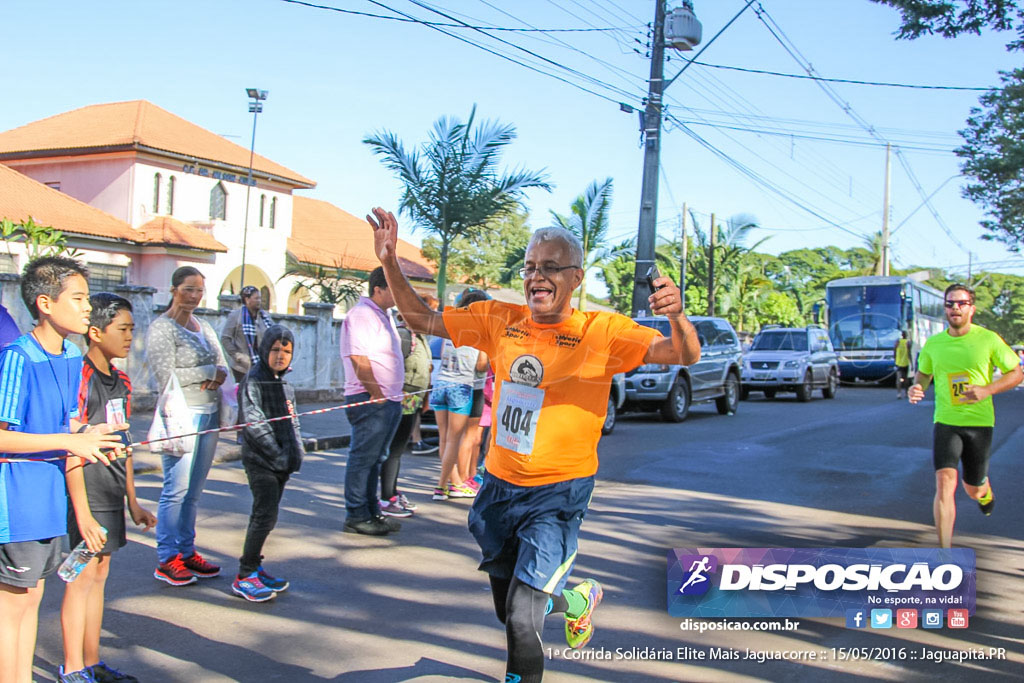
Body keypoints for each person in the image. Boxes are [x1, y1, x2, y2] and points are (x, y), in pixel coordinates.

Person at [367, 208, 700, 683]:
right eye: (529, 267)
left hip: (558, 493)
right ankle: (577, 599)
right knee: (510, 613)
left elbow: (682, 354)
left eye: (549, 267)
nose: (536, 276)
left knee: (524, 620)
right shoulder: (499, 319)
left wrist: (678, 317)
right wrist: (390, 260)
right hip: (499, 487)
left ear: (576, 278)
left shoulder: (601, 332)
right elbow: (420, 317)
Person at [0, 256, 126, 683]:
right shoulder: (17, 357)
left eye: (88, 298)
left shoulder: (72, 355)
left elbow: (64, 428)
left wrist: (91, 434)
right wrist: (72, 439)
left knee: (31, 600)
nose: (88, 307)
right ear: (45, 303)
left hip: (50, 501)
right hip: (16, 498)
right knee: (13, 605)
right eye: (78, 298)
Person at [61, 293, 156, 683]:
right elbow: (71, 447)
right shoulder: (78, 376)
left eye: (133, 329)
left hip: (113, 493)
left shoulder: (123, 382)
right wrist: (82, 514)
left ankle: (92, 662)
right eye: (123, 329)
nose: (131, 336)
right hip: (88, 493)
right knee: (80, 581)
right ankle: (71, 669)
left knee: (99, 580)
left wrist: (133, 500)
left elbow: (125, 444)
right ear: (95, 332)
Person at [908, 283, 1022, 548]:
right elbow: (924, 373)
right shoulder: (934, 344)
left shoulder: (989, 339)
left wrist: (987, 390)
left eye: (960, 303)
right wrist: (917, 386)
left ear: (972, 307)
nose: (955, 308)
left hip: (979, 423)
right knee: (945, 480)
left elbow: (1016, 373)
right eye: (949, 304)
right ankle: (944, 553)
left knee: (973, 488)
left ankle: (984, 491)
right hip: (946, 421)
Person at [146, 266, 227, 586]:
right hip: (180, 415)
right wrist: (206, 373)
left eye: (199, 291)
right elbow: (165, 376)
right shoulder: (162, 328)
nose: (194, 296)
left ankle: (187, 548)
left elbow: (221, 364)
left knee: (193, 491)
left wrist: (213, 372)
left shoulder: (203, 325)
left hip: (209, 414)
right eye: (188, 289)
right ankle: (167, 557)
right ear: (173, 289)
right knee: (175, 489)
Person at [232, 325, 304, 602]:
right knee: (263, 516)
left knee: (269, 516)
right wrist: (277, 454)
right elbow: (254, 423)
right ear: (265, 350)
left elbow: (292, 419)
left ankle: (255, 565)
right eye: (275, 349)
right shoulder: (254, 379)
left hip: (283, 462)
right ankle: (244, 574)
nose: (280, 356)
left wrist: (296, 453)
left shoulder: (284, 383)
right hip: (261, 461)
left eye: (286, 351)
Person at [338, 266, 404, 536]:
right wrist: (376, 393)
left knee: (377, 458)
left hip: (387, 399)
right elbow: (358, 358)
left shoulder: (383, 314)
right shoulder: (363, 314)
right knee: (364, 458)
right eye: (393, 286)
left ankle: (371, 511)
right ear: (378, 289)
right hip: (370, 399)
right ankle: (356, 514)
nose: (399, 292)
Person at [430, 289, 490, 501]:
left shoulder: (451, 325)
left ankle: (452, 482)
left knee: (444, 439)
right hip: (461, 387)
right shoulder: (479, 331)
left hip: (440, 384)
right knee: (454, 440)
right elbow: (481, 366)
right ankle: (442, 486)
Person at [379, 305, 432, 517]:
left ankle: (391, 492)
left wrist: (425, 398)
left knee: (398, 450)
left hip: (415, 400)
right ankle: (386, 497)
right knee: (394, 450)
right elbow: (394, 367)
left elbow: (426, 369)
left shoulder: (418, 337)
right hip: (403, 399)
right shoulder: (403, 335)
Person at [220, 285, 273, 384]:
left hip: (263, 365)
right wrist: (238, 356)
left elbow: (273, 335)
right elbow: (225, 338)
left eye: (260, 298)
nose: (259, 301)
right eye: (256, 298)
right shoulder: (235, 316)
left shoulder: (265, 317)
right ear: (247, 299)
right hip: (242, 368)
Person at [894, 330, 912, 399]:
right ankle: (905, 393)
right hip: (905, 363)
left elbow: (894, 351)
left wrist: (895, 359)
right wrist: (911, 364)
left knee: (899, 379)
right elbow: (909, 353)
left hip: (899, 363)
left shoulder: (898, 342)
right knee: (905, 379)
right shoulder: (907, 342)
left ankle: (899, 393)